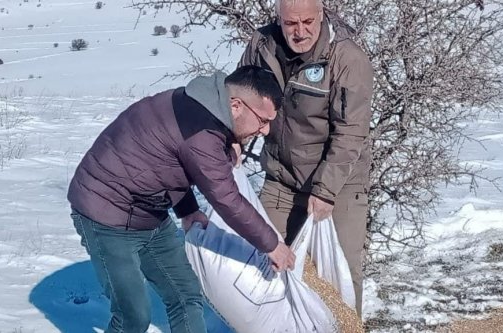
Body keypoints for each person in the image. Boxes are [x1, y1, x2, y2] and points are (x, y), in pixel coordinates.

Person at [66, 66, 295, 333]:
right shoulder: (200, 131)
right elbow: (226, 198)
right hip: (105, 216)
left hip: (147, 213)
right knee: (133, 316)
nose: (265, 131)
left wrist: (187, 210)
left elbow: (165, 160)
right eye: (262, 120)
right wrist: (271, 244)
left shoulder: (202, 104)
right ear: (235, 105)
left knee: (186, 296)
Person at [238, 0, 373, 314]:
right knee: (259, 266)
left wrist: (325, 190)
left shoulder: (346, 59)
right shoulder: (262, 45)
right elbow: (239, 97)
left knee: (338, 282)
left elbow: (351, 132)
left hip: (338, 186)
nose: (299, 32)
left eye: (307, 22)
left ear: (322, 14)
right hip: (281, 179)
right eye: (290, 24)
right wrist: (233, 140)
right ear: (279, 19)